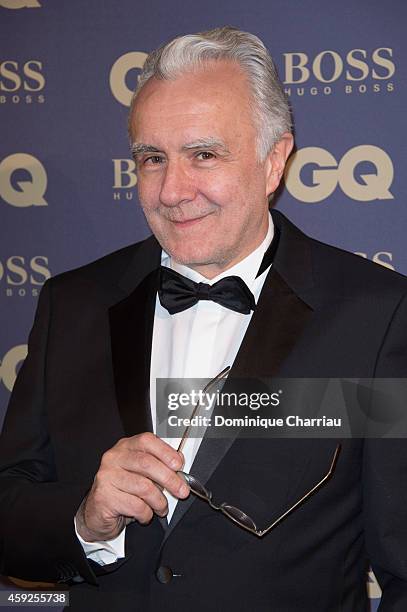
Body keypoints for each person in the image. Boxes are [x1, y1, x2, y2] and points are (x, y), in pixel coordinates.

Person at [1, 26, 407, 612]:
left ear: (275, 162)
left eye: (204, 155)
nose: (172, 190)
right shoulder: (73, 304)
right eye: (152, 158)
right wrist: (86, 520)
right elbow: (10, 512)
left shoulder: (378, 316)